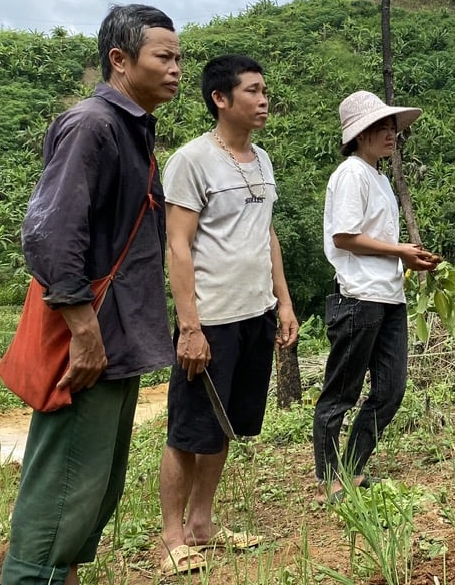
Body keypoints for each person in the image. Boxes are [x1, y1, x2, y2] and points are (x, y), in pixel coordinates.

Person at [1, 4, 179, 585]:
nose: (177, 68)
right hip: (93, 343)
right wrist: (82, 330)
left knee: (93, 489)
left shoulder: (131, 131)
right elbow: (51, 232)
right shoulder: (93, 125)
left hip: (117, 341)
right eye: (164, 56)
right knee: (61, 495)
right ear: (120, 61)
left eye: (179, 57)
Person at [156, 55, 299, 574]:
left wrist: (282, 301)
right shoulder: (192, 161)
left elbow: (267, 235)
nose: (264, 100)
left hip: (254, 314)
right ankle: (172, 536)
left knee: (226, 427)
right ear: (221, 98)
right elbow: (179, 246)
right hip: (210, 320)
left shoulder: (261, 159)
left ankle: (202, 524)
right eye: (254, 91)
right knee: (188, 430)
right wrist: (189, 326)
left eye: (266, 91)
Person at [314, 90, 440, 504]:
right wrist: (401, 250)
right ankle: (331, 477)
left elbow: (371, 239)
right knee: (342, 391)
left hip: (387, 295)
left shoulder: (379, 177)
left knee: (391, 390)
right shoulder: (351, 174)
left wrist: (407, 259)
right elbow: (345, 237)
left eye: (392, 128)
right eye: (382, 128)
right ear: (360, 133)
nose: (391, 135)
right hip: (357, 296)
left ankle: (352, 467)